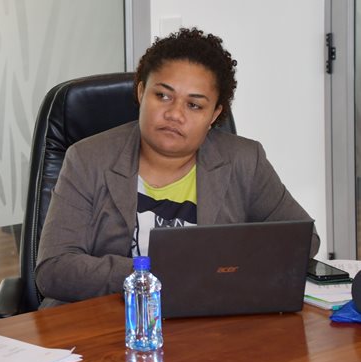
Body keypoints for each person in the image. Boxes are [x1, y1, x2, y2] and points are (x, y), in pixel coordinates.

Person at [35, 28, 320, 307]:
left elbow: (304, 241)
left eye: (194, 105)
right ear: (141, 92)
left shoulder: (244, 161)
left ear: (215, 114)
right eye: (163, 96)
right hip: (105, 317)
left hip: (208, 318)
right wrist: (156, 273)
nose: (174, 114)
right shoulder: (88, 159)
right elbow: (54, 269)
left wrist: (226, 268)